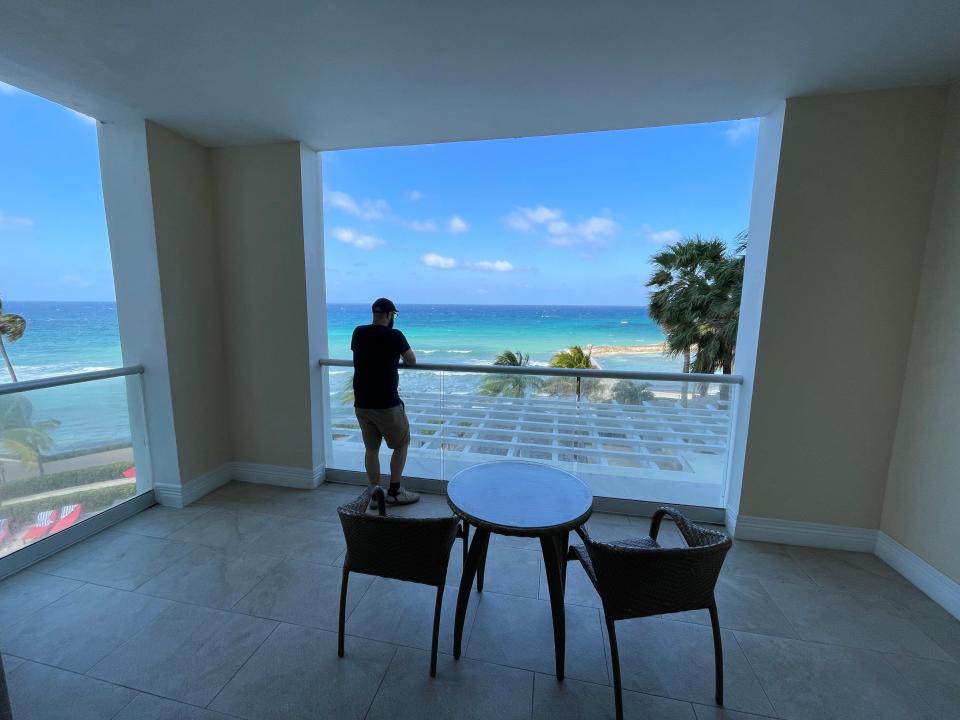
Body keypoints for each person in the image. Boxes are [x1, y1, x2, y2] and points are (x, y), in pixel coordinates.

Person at [351, 298, 420, 505]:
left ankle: (375, 494)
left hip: (362, 403)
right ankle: (395, 492)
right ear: (390, 315)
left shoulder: (358, 332)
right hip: (387, 404)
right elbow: (411, 360)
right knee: (402, 444)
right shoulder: (395, 335)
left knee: (371, 449)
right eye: (394, 315)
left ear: (374, 313)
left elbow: (364, 357)